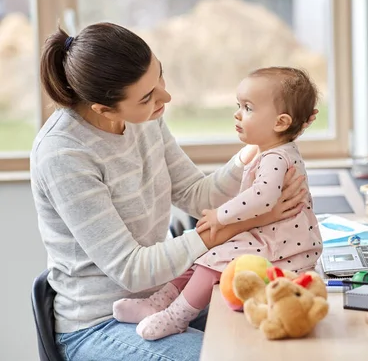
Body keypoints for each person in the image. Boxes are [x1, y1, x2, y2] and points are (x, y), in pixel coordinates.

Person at [31, 22, 316, 361]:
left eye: (159, 77)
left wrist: (258, 150)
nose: (165, 97)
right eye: (147, 97)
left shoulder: (144, 119)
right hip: (98, 325)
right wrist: (240, 224)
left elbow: (197, 194)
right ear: (104, 109)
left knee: (296, 339)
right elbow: (132, 270)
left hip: (162, 297)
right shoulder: (64, 155)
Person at [113, 67, 323, 340]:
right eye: (239, 105)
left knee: (211, 263)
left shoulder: (275, 157)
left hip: (280, 245)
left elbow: (262, 197)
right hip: (270, 235)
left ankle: (177, 317)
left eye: (248, 108)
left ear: (281, 122)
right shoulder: (272, 150)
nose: (237, 114)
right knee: (197, 253)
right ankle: (158, 302)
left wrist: (220, 216)